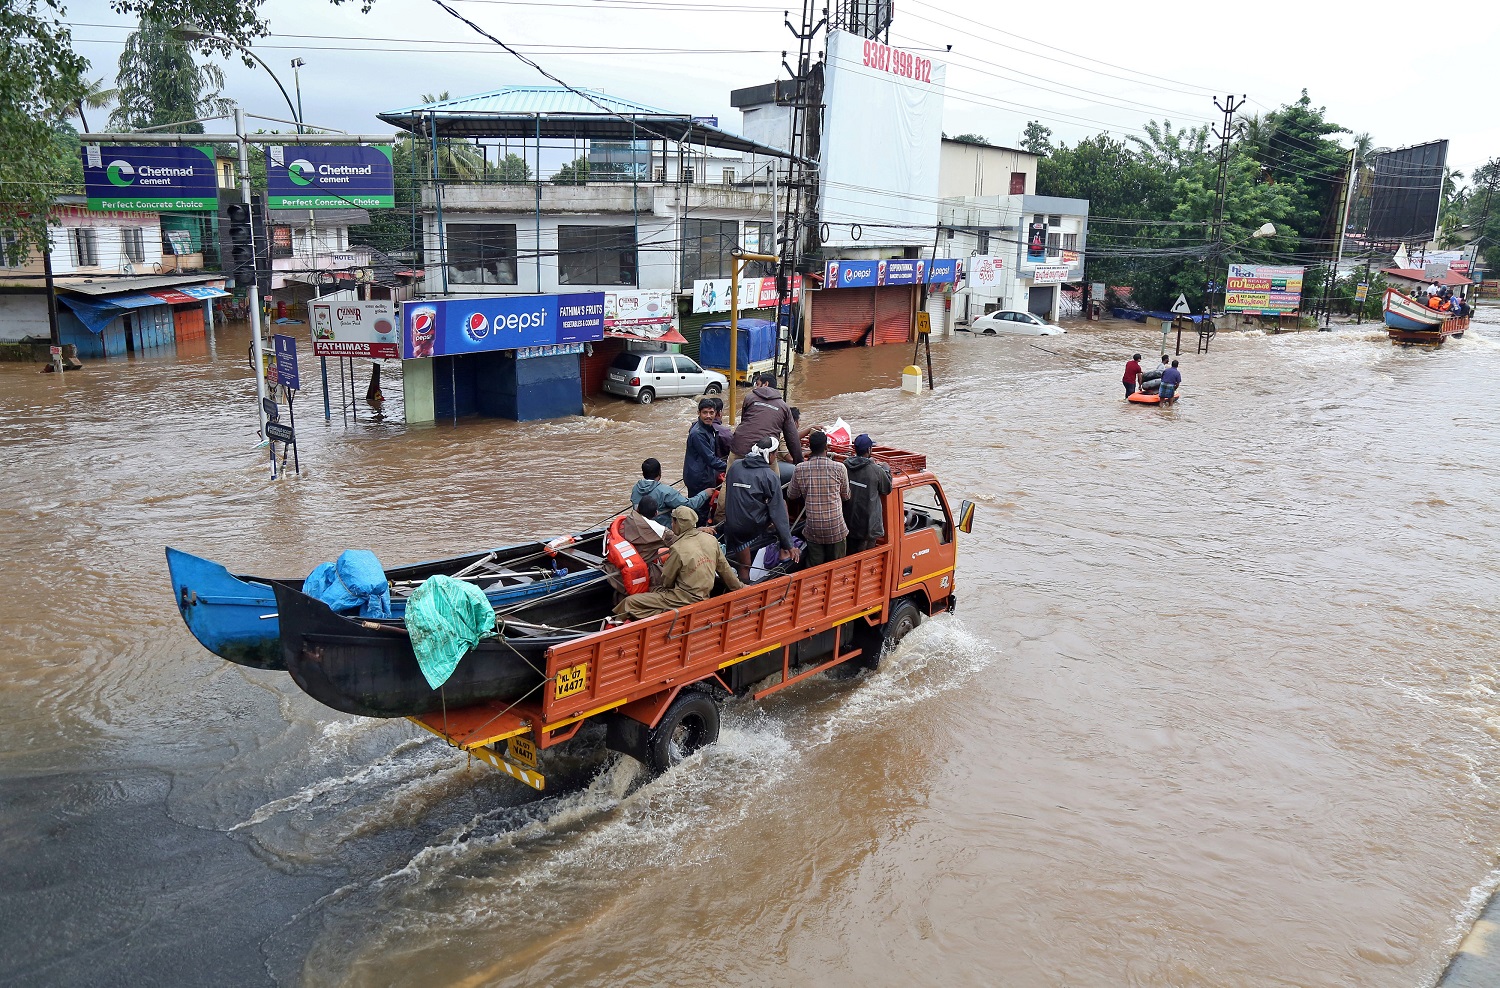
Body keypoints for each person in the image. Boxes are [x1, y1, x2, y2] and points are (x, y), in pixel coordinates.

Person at [613, 506, 744, 621]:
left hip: (682, 599)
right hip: (703, 595)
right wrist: (741, 587)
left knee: (630, 602)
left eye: (673, 521)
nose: (671, 524)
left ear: (678, 523)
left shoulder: (678, 548)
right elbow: (725, 571)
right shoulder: (711, 540)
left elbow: (667, 581)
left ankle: (615, 628)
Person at [722, 435, 798, 580]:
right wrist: (789, 544)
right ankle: (783, 552)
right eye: (775, 454)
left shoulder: (735, 466)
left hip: (730, 524)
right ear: (770, 455)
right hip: (750, 528)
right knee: (745, 565)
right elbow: (778, 512)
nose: (775, 457)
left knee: (742, 559)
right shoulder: (769, 476)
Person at [786, 430, 850, 567]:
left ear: (810, 448)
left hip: (813, 528)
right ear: (826, 447)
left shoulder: (800, 469)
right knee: (837, 566)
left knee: (814, 566)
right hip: (836, 528)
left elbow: (791, 495)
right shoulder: (840, 468)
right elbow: (846, 496)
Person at [603, 495, 675, 595]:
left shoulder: (625, 521)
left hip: (614, 569)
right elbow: (678, 543)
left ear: (637, 508)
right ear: (656, 513)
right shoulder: (661, 531)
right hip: (640, 573)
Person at [730, 371, 803, 466]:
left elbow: (744, 421)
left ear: (766, 384)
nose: (756, 388)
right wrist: (799, 462)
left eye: (757, 384)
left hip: (739, 448)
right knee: (774, 479)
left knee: (730, 477)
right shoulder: (783, 406)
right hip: (767, 455)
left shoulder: (749, 398)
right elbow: (792, 437)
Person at [844, 433, 893, 554]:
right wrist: (886, 469)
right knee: (866, 557)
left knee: (850, 554)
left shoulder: (845, 465)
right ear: (869, 450)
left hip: (848, 521)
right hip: (868, 526)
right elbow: (886, 489)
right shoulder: (876, 470)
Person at [630, 458, 710, 528]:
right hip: (663, 535)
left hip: (641, 529)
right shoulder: (665, 491)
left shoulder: (635, 489)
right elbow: (690, 505)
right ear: (659, 473)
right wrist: (705, 494)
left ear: (643, 474)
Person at [683, 398, 727, 497]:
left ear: (716, 413)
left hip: (702, 474)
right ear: (699, 413)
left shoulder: (707, 428)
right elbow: (711, 459)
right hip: (699, 480)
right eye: (705, 413)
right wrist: (731, 467)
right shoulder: (698, 433)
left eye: (711, 413)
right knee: (701, 510)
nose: (708, 416)